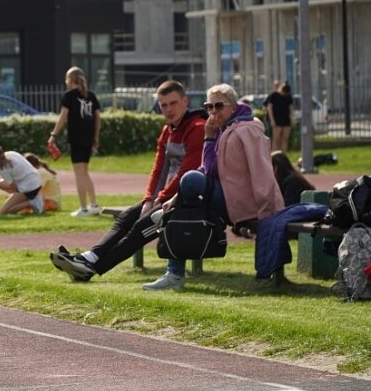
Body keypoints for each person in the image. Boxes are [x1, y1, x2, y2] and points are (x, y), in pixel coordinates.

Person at [49, 80, 207, 282]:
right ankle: (89, 257)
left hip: (189, 199)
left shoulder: (197, 128)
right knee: (126, 218)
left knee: (139, 228)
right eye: (163, 105)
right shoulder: (168, 131)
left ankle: (89, 269)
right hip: (165, 198)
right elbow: (158, 170)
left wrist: (158, 201)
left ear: (185, 101)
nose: (168, 109)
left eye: (173, 103)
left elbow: (186, 172)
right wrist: (149, 199)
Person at [143, 83, 284, 290]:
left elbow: (261, 171)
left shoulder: (248, 129)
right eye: (209, 107)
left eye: (219, 106)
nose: (213, 112)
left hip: (245, 205)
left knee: (191, 180)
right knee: (185, 203)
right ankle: (174, 274)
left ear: (233, 107)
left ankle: (174, 273)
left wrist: (266, 210)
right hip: (226, 198)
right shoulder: (222, 129)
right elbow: (207, 168)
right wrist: (174, 199)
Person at [47, 66, 101, 217]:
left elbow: (63, 117)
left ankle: (83, 208)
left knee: (79, 174)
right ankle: (94, 205)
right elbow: (98, 118)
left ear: (69, 80)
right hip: (88, 138)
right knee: (85, 172)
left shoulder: (69, 96)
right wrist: (96, 137)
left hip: (76, 138)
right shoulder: (91, 95)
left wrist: (53, 135)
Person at [0, 143, 44, 214]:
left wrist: (15, 197)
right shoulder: (11, 153)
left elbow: (13, 187)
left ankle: (33, 202)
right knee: (0, 183)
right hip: (37, 180)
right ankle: (27, 200)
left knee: (3, 211)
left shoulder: (2, 169)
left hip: (29, 188)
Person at [264, 81, 294, 153]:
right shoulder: (273, 95)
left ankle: (283, 155)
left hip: (286, 120)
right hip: (277, 120)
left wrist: (292, 120)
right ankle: (275, 155)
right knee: (276, 139)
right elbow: (269, 108)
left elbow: (291, 109)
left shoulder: (288, 96)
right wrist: (272, 120)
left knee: (285, 139)